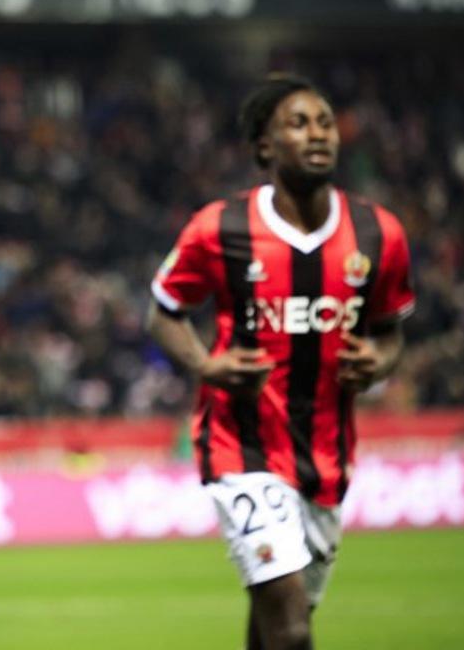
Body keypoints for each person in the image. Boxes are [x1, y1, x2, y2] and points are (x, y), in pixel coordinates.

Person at [146, 74, 415, 650]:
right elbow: (164, 313)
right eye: (298, 123)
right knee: (291, 628)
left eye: (324, 122)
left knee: (272, 626)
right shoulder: (220, 227)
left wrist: (378, 360)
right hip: (241, 448)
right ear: (265, 147)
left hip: (326, 458)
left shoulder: (379, 234)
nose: (318, 134)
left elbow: (391, 334)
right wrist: (206, 365)